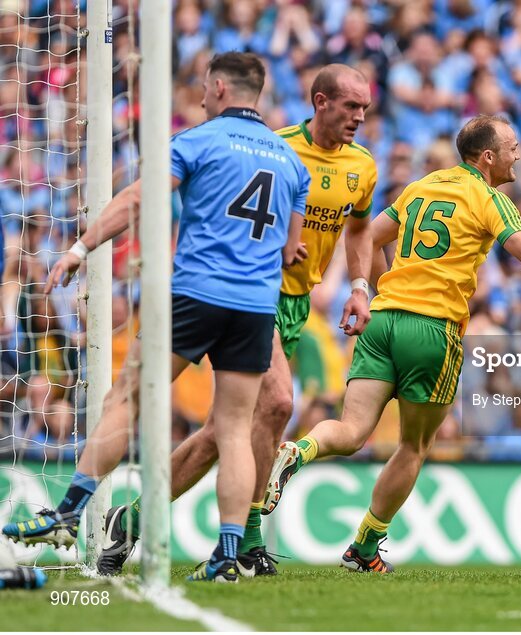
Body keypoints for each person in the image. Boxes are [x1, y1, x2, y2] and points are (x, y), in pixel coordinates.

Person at [262, 114, 521, 572]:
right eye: (512, 147)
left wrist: (378, 287)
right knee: (414, 446)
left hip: (382, 320)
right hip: (433, 329)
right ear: (488, 157)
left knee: (351, 430)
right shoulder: (488, 197)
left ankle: (297, 451)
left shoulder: (423, 185)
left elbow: (370, 235)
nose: (518, 154)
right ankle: (364, 547)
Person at [1, 52, 310, 584]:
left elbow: (139, 199)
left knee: (129, 395)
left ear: (217, 88)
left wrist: (80, 247)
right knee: (234, 429)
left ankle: (71, 511)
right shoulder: (291, 162)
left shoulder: (199, 140)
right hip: (257, 305)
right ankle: (226, 556)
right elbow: (292, 249)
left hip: (196, 293)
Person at [94, 65, 377, 578]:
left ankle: (132, 519)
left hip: (296, 305)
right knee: (280, 402)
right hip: (252, 294)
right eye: (350, 107)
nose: (359, 117)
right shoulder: (275, 147)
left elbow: (359, 231)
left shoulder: (363, 166)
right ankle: (246, 540)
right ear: (320, 102)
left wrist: (359, 286)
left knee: (220, 433)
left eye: (365, 109)